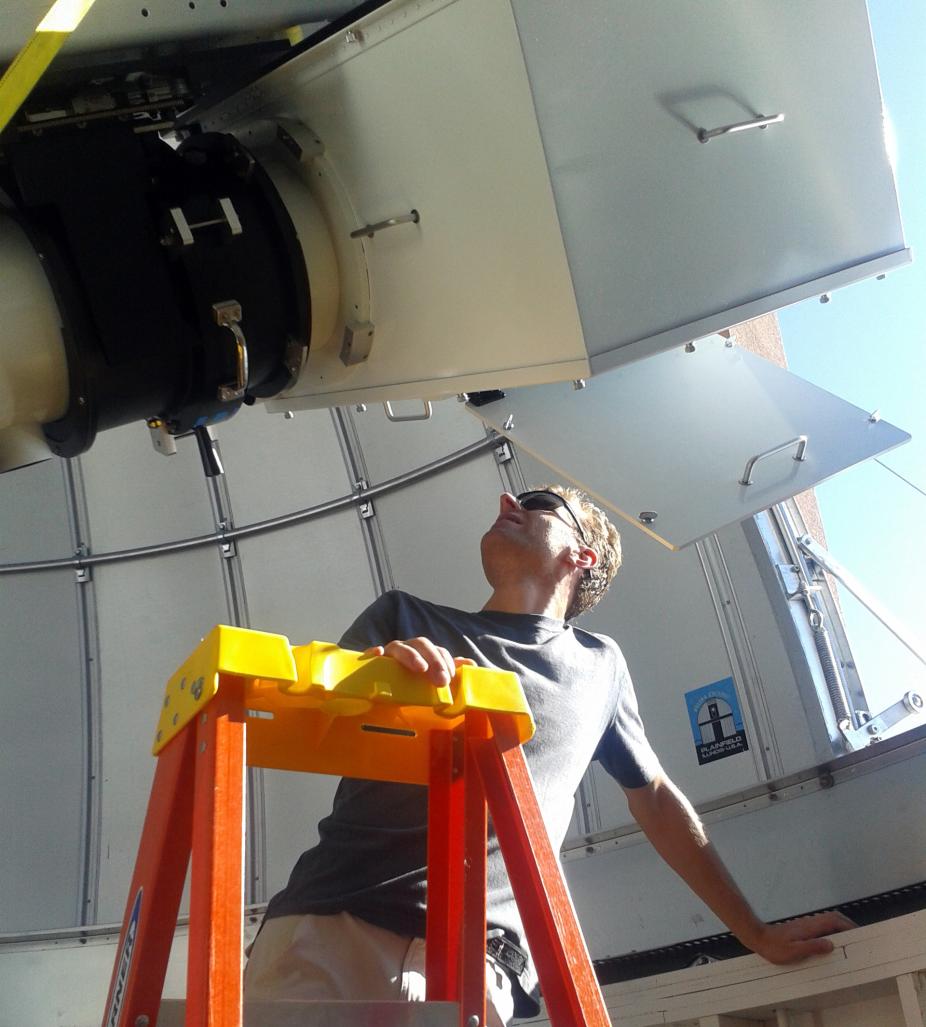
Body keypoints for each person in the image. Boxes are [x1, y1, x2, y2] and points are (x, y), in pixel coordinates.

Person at [244, 486, 854, 1024]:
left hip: (478, 957)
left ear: (581, 555)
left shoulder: (601, 665)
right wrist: (368, 674)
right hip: (330, 925)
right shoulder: (403, 617)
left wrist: (756, 933)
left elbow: (658, 798)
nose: (507, 504)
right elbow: (310, 708)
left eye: (536, 505)